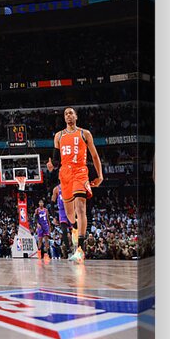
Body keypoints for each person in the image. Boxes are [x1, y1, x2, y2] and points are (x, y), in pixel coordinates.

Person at [47, 107, 103, 263]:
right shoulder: (58, 136)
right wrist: (52, 167)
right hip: (65, 174)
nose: (68, 115)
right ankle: (76, 228)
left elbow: (94, 155)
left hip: (80, 172)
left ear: (76, 116)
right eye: (66, 114)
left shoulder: (85, 134)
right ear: (64, 118)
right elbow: (56, 160)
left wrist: (100, 176)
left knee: (81, 207)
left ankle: (80, 249)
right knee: (71, 216)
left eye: (71, 113)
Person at [51, 184, 72, 258]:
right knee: (64, 231)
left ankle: (75, 248)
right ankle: (68, 250)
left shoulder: (70, 186)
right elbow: (52, 204)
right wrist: (54, 217)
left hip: (70, 210)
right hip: (62, 212)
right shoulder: (56, 189)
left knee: (72, 233)